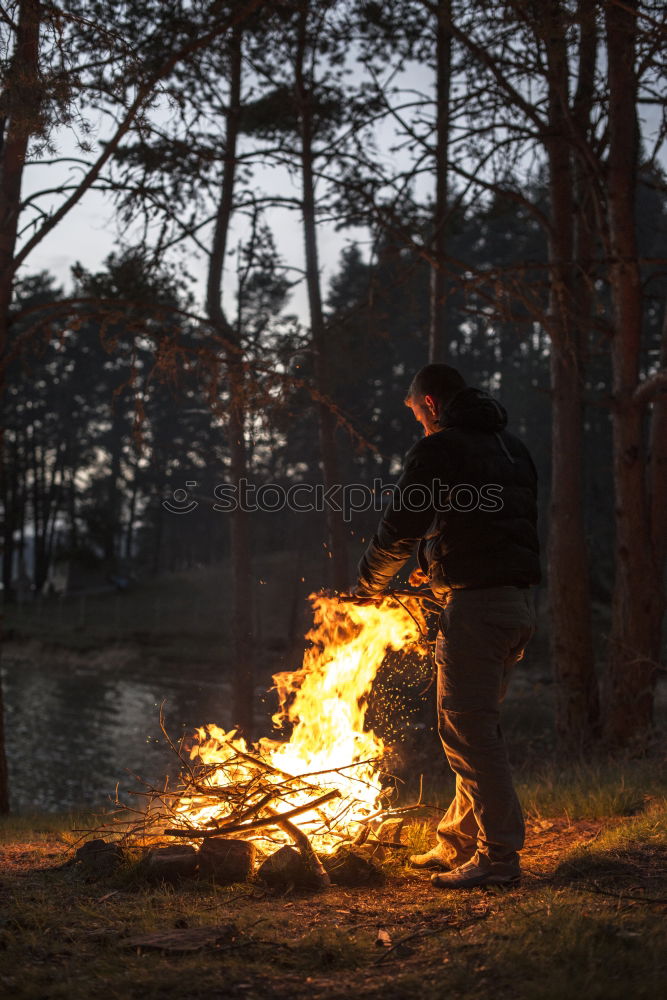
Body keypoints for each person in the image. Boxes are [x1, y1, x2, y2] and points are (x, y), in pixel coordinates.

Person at [351, 363, 541, 889]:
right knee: (473, 723)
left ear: (430, 404)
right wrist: (437, 569)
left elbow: (400, 526)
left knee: (469, 732)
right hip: (517, 605)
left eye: (414, 410)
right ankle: (457, 841)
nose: (415, 419)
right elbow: (498, 529)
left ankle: (499, 858)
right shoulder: (512, 448)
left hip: (479, 612)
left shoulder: (440, 447)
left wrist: (368, 585)